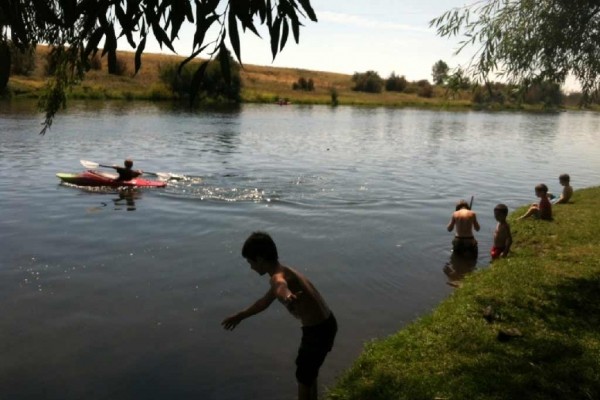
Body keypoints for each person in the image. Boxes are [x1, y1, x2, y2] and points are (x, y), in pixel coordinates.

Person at [222, 232, 337, 400]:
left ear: (260, 259)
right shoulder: (286, 271)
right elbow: (263, 302)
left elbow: (280, 287)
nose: (251, 267)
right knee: (309, 373)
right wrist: (240, 315)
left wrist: (287, 296)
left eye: (250, 262)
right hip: (328, 324)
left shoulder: (278, 278)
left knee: (303, 377)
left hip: (316, 332)